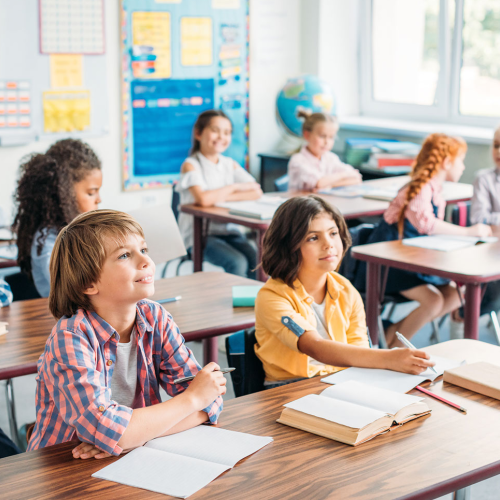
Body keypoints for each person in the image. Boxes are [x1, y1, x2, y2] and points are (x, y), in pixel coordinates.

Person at [27, 210, 224, 459]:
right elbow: (198, 397)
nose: (145, 262)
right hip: (65, 468)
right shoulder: (70, 338)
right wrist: (192, 400)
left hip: (128, 458)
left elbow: (212, 402)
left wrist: (134, 436)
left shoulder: (156, 317)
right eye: (124, 255)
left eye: (143, 249)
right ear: (88, 284)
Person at [254, 195, 435, 387]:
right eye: (313, 238)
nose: (328, 244)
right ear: (288, 247)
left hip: (340, 378)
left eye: (333, 233)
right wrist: (389, 358)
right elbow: (313, 346)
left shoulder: (346, 290)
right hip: (289, 386)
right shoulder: (272, 296)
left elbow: (360, 352)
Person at [355, 133, 492, 347]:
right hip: (390, 264)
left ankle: (394, 333)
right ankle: (398, 346)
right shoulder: (418, 188)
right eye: (461, 161)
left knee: (457, 294)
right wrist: (469, 232)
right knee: (434, 299)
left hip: (417, 261)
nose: (463, 166)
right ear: (447, 162)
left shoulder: (437, 190)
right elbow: (426, 225)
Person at [176, 109, 262, 279]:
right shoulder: (190, 165)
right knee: (237, 262)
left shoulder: (229, 164)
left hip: (229, 231)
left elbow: (255, 191)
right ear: (199, 133)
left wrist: (217, 196)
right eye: (215, 131)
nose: (221, 137)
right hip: (199, 236)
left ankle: (254, 304)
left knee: (257, 260)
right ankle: (235, 305)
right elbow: (203, 199)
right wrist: (234, 187)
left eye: (227, 132)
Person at [12, 139, 103, 297]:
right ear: (64, 193)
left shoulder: (78, 231)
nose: (99, 199)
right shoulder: (46, 241)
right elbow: (74, 290)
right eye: (91, 192)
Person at [288, 111, 362, 192]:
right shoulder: (298, 160)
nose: (327, 142)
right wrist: (343, 175)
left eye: (331, 137)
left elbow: (356, 178)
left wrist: (330, 185)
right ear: (307, 135)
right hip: (301, 204)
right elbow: (319, 183)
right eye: (322, 136)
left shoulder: (330, 158)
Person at [470, 125, 500, 316]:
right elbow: (480, 219)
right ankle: (463, 317)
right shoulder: (484, 179)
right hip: (491, 251)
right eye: (496, 145)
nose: (499, 151)